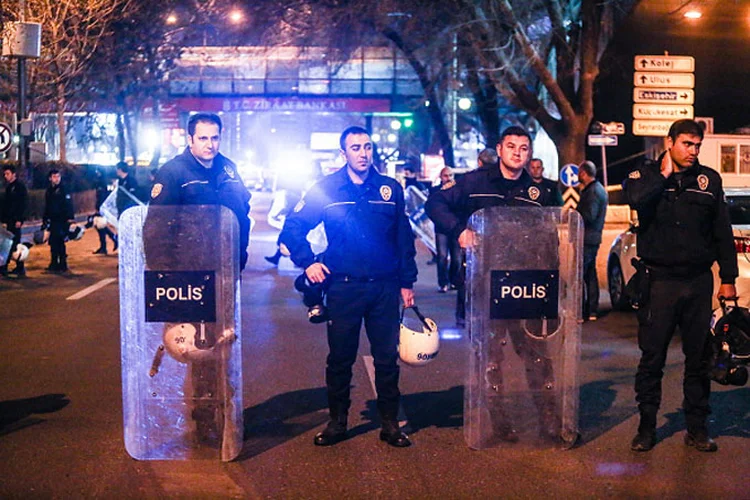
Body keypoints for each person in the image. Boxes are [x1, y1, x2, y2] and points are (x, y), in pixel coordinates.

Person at [279, 125, 418, 448]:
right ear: (343, 154)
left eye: (367, 147)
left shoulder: (389, 189)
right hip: (343, 288)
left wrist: (406, 282)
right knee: (340, 360)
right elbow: (292, 228)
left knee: (386, 359)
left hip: (384, 289)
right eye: (355, 148)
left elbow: (403, 239)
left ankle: (389, 424)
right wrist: (308, 261)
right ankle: (337, 422)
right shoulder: (325, 190)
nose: (363, 153)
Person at [426, 126, 558, 441]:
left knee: (538, 357)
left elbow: (549, 237)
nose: (517, 153)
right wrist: (459, 230)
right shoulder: (474, 182)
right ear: (499, 149)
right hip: (487, 285)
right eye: (511, 146)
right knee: (492, 359)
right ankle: (500, 424)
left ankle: (550, 422)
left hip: (528, 287)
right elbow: (435, 203)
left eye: (524, 148)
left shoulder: (540, 191)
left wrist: (555, 284)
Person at [624, 119, 737, 453]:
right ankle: (646, 427)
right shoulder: (643, 175)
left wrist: (728, 278)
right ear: (669, 142)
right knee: (652, 358)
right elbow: (636, 199)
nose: (693, 151)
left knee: (699, 358)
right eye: (687, 144)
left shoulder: (708, 180)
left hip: (698, 282)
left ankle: (697, 427)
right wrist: (663, 176)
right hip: (658, 281)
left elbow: (722, 232)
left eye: (697, 145)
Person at [149, 112, 252, 270]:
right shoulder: (173, 172)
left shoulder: (229, 169)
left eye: (214, 138)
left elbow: (242, 213)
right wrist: (165, 273)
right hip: (187, 271)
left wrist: (240, 255)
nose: (210, 145)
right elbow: (157, 226)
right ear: (190, 140)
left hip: (227, 267)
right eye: (203, 138)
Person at [576, 160, 608, 321]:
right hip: (592, 238)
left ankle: (582, 311)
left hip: (588, 238)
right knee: (590, 274)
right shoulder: (596, 189)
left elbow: (589, 215)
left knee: (580, 274)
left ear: (583, 173)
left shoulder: (593, 192)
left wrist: (575, 216)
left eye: (579, 172)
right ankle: (592, 310)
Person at [431, 167, 461, 293]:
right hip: (441, 228)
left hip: (455, 228)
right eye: (445, 175)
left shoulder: (459, 190)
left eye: (451, 175)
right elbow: (432, 208)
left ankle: (453, 280)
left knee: (456, 258)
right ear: (441, 177)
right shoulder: (435, 191)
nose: (448, 178)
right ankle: (443, 282)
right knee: (442, 256)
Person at [43, 169, 75, 273]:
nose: (56, 179)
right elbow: (47, 206)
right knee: (52, 242)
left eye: (58, 177)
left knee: (60, 242)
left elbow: (69, 204)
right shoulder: (49, 190)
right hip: (53, 219)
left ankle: (62, 264)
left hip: (62, 220)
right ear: (50, 178)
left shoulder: (63, 189)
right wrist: (45, 219)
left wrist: (70, 219)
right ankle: (54, 263)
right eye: (54, 177)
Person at [1, 166, 28, 276]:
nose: (5, 176)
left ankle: (19, 267)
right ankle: (7, 266)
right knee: (8, 243)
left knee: (15, 243)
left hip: (15, 220)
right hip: (9, 220)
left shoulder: (20, 187)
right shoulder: (9, 187)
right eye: (5, 174)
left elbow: (23, 205)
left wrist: (20, 219)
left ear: (13, 174)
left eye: (7, 173)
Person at [91, 169, 117, 255]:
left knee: (100, 225)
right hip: (102, 207)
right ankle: (108, 243)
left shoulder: (101, 183)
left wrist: (99, 208)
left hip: (102, 208)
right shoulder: (101, 182)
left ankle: (109, 242)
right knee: (100, 226)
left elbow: (102, 197)